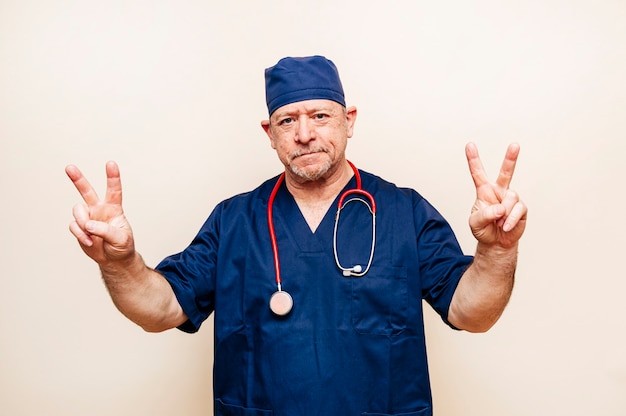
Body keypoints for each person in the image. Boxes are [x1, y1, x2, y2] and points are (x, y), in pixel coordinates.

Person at [66, 55, 527, 415]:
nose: (304, 134)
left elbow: (473, 314)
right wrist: (120, 263)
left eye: (321, 116)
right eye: (288, 121)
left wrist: (496, 251)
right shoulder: (235, 221)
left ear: (349, 120)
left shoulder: (403, 213)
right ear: (270, 133)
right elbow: (160, 309)